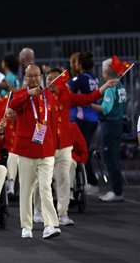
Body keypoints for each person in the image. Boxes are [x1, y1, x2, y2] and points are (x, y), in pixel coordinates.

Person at [44, 68, 118, 224]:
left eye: (55, 78)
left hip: (64, 146)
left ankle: (63, 214)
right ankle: (39, 210)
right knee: (42, 181)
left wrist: (105, 87)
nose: (52, 81)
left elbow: (88, 98)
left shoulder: (67, 97)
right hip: (45, 146)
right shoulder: (39, 97)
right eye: (49, 78)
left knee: (64, 177)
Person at [9, 64, 61, 240]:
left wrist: (53, 147)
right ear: (24, 77)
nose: (33, 79)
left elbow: (53, 124)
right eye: (29, 76)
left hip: (46, 149)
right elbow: (13, 105)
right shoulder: (20, 95)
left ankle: (50, 225)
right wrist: (28, 94)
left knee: (45, 187)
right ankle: (26, 226)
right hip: (26, 150)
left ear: (41, 77)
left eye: (36, 76)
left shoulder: (49, 96)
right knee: (26, 189)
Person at [91, 59, 127, 202]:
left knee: (109, 157)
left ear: (106, 72)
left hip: (110, 125)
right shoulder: (121, 86)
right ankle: (117, 190)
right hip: (118, 124)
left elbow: (106, 109)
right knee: (114, 157)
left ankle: (116, 191)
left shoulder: (110, 88)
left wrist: (90, 104)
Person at [68, 51, 101, 192]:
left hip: (84, 120)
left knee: (82, 151)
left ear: (80, 64)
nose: (74, 65)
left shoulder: (80, 79)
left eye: (76, 62)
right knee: (85, 150)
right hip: (94, 119)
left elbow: (66, 90)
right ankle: (86, 181)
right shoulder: (94, 78)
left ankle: (91, 182)